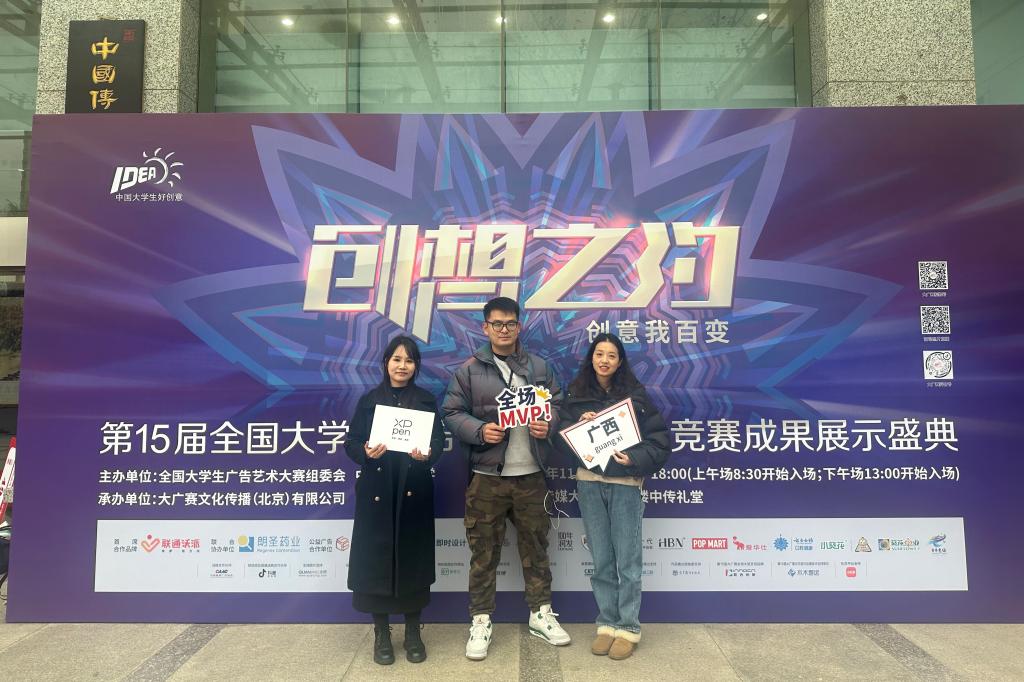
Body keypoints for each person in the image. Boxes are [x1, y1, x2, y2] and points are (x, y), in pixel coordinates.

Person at [443, 296, 570, 660]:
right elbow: (451, 412)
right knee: (483, 553)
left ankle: (540, 613)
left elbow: (558, 404)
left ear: (519, 326)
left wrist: (549, 424)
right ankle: (481, 620)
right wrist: (480, 430)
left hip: (531, 475)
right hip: (487, 478)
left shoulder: (539, 366)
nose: (503, 329)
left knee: (536, 548)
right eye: (496, 324)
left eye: (510, 323)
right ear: (485, 328)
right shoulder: (469, 370)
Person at [558, 333, 670, 660]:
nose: (604, 360)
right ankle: (607, 623)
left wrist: (633, 459)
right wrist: (577, 427)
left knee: (628, 560)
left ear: (620, 362)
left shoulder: (636, 397)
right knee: (602, 560)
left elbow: (659, 443)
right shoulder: (575, 394)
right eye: (599, 354)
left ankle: (629, 627)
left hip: (625, 486)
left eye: (611, 355)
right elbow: (558, 441)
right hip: (589, 484)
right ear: (591, 358)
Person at [345, 335, 445, 665]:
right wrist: (364, 452)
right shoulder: (369, 401)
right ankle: (381, 634)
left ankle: (413, 632)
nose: (402, 366)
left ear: (416, 366)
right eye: (397, 359)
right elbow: (351, 442)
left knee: (413, 560)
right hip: (377, 490)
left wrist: (427, 454)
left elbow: (438, 442)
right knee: (377, 562)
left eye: (409, 360)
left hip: (413, 488)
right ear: (386, 362)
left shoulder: (426, 401)